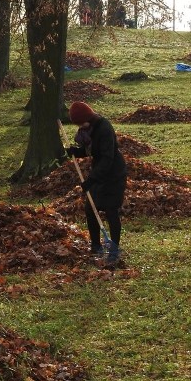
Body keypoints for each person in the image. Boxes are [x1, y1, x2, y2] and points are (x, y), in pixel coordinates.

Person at [66, 101, 126, 265]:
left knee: (110, 209)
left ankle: (113, 250)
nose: (80, 127)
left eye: (80, 123)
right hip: (99, 172)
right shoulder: (88, 130)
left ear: (88, 118)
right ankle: (96, 246)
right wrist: (74, 152)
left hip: (114, 173)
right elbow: (90, 151)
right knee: (90, 209)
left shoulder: (104, 128)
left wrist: (91, 180)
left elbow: (107, 158)